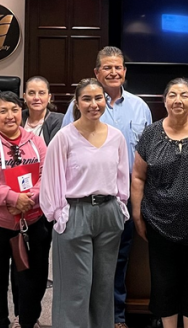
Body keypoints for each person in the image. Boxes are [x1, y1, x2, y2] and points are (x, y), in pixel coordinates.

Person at [61, 46, 152, 328]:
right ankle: (85, 319)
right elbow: (65, 152)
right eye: (107, 67)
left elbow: (147, 157)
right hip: (83, 202)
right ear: (96, 72)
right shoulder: (79, 106)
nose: (114, 72)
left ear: (125, 72)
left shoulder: (140, 107)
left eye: (118, 67)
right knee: (84, 267)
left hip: (121, 200)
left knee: (117, 263)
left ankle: (116, 317)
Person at [131, 78, 188, 328]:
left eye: (184, 95)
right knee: (164, 282)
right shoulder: (151, 133)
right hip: (159, 223)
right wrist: (137, 214)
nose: (178, 100)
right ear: (164, 100)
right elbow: (138, 176)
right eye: (172, 95)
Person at [40, 78, 130, 328]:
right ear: (77, 104)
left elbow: (123, 175)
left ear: (105, 101)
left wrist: (120, 207)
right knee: (75, 287)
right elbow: (51, 179)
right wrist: (58, 214)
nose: (94, 104)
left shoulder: (117, 137)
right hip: (75, 213)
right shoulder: (64, 137)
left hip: (109, 213)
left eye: (98, 98)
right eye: (87, 99)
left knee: (103, 287)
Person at [0, 92, 51, 328]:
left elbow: (47, 176)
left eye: (14, 110)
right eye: (3, 111)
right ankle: (1, 323)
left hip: (32, 222)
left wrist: (31, 198)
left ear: (21, 111)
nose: (10, 116)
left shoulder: (36, 142)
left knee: (31, 278)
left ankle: (26, 321)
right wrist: (13, 198)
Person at [22, 75, 65, 145]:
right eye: (31, 93)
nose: (36, 98)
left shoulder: (58, 120)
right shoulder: (17, 118)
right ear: (24, 97)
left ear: (49, 97)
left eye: (41, 93)